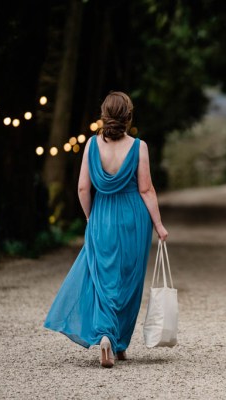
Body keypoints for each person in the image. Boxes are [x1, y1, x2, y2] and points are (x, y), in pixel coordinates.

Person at [44, 91, 168, 368]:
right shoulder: (139, 147)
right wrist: (159, 225)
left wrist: (91, 218)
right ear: (128, 117)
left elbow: (82, 188)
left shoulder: (90, 145)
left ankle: (108, 338)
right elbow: (146, 189)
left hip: (102, 216)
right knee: (128, 281)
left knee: (104, 281)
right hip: (134, 219)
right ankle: (116, 340)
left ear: (104, 115)